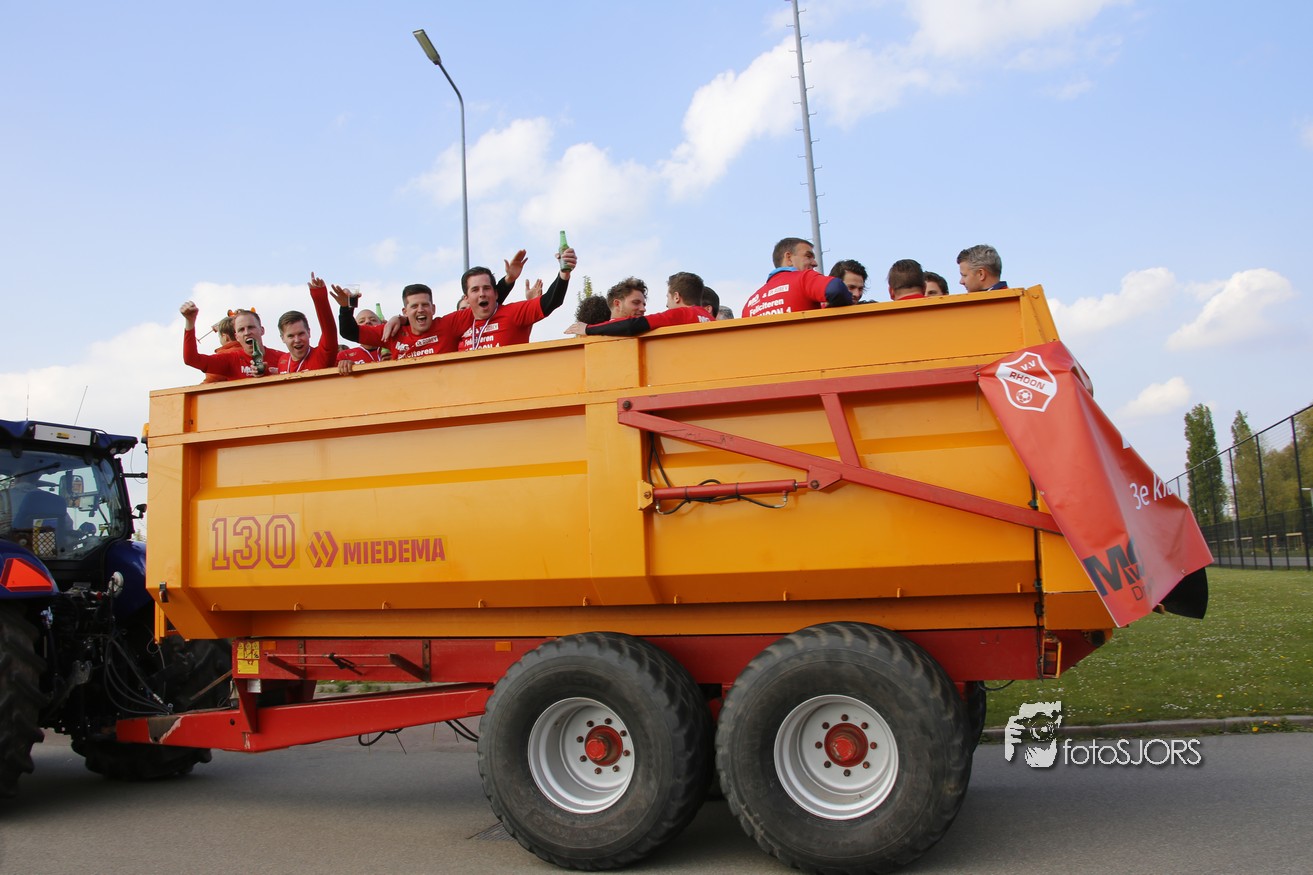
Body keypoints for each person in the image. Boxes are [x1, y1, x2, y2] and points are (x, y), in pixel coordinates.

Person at [454, 250, 574, 351]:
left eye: (486, 288)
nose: (482, 294)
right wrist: (508, 279)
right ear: (466, 298)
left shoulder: (513, 313)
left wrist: (564, 273)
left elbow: (552, 301)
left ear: (495, 293)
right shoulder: (455, 324)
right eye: (475, 290)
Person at [565, 272, 713, 337]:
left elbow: (633, 325)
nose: (666, 305)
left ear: (676, 297)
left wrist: (588, 329)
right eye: (636, 303)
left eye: (667, 297)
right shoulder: (711, 319)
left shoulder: (681, 314)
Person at [742, 237, 853, 318]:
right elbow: (836, 288)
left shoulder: (750, 304)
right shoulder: (803, 278)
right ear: (789, 258)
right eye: (808, 256)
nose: (815, 263)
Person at [181, 304, 288, 379]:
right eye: (241, 330)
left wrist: (270, 373)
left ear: (262, 330)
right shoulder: (230, 359)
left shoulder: (282, 358)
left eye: (251, 327)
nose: (247, 333)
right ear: (236, 336)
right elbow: (191, 359)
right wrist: (190, 322)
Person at [277, 274, 339, 372]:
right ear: (282, 338)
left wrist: (319, 297)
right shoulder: (282, 360)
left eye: (301, 333)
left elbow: (329, 331)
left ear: (309, 332)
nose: (297, 340)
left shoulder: (321, 355)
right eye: (291, 336)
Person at [334, 301, 386, 375]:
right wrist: (346, 367)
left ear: (382, 325)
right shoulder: (344, 355)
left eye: (373, 320)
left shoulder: (394, 347)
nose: (367, 322)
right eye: (361, 321)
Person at [202, 315, 242, 384]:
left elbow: (209, 382)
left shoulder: (223, 356)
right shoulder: (251, 351)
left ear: (225, 337)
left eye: (219, 336)